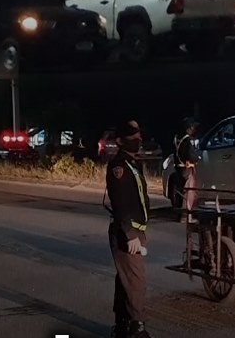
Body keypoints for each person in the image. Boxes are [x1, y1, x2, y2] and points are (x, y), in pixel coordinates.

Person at [105, 120, 151, 338]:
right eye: (133, 137)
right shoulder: (120, 167)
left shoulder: (132, 164)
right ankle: (136, 328)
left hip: (135, 231)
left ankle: (122, 326)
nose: (138, 140)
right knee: (135, 282)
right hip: (127, 234)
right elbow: (120, 203)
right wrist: (131, 235)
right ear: (121, 141)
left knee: (125, 280)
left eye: (139, 136)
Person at [175, 118, 200, 221]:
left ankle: (181, 214)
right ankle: (186, 216)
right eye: (193, 127)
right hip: (187, 168)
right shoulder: (188, 140)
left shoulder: (177, 138)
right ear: (189, 128)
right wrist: (197, 157)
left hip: (178, 167)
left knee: (181, 191)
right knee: (189, 191)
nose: (194, 129)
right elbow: (191, 155)